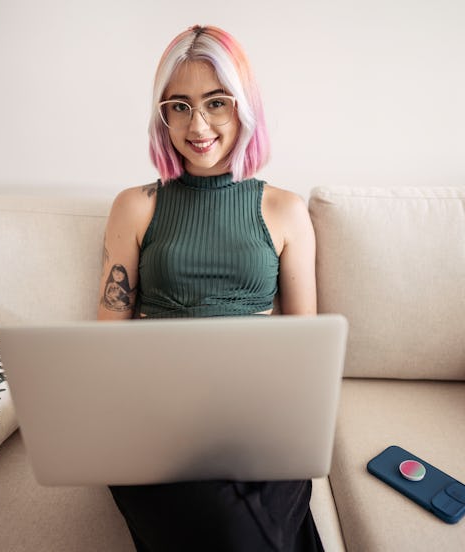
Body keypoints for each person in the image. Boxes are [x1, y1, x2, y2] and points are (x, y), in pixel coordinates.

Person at [97, 24, 320, 551]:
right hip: (157, 419)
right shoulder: (135, 205)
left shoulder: (284, 210)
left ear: (243, 106)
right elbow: (106, 347)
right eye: (178, 106)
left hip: (259, 417)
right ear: (163, 115)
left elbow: (305, 351)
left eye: (216, 103)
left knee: (239, 519)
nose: (197, 125)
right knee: (231, 526)